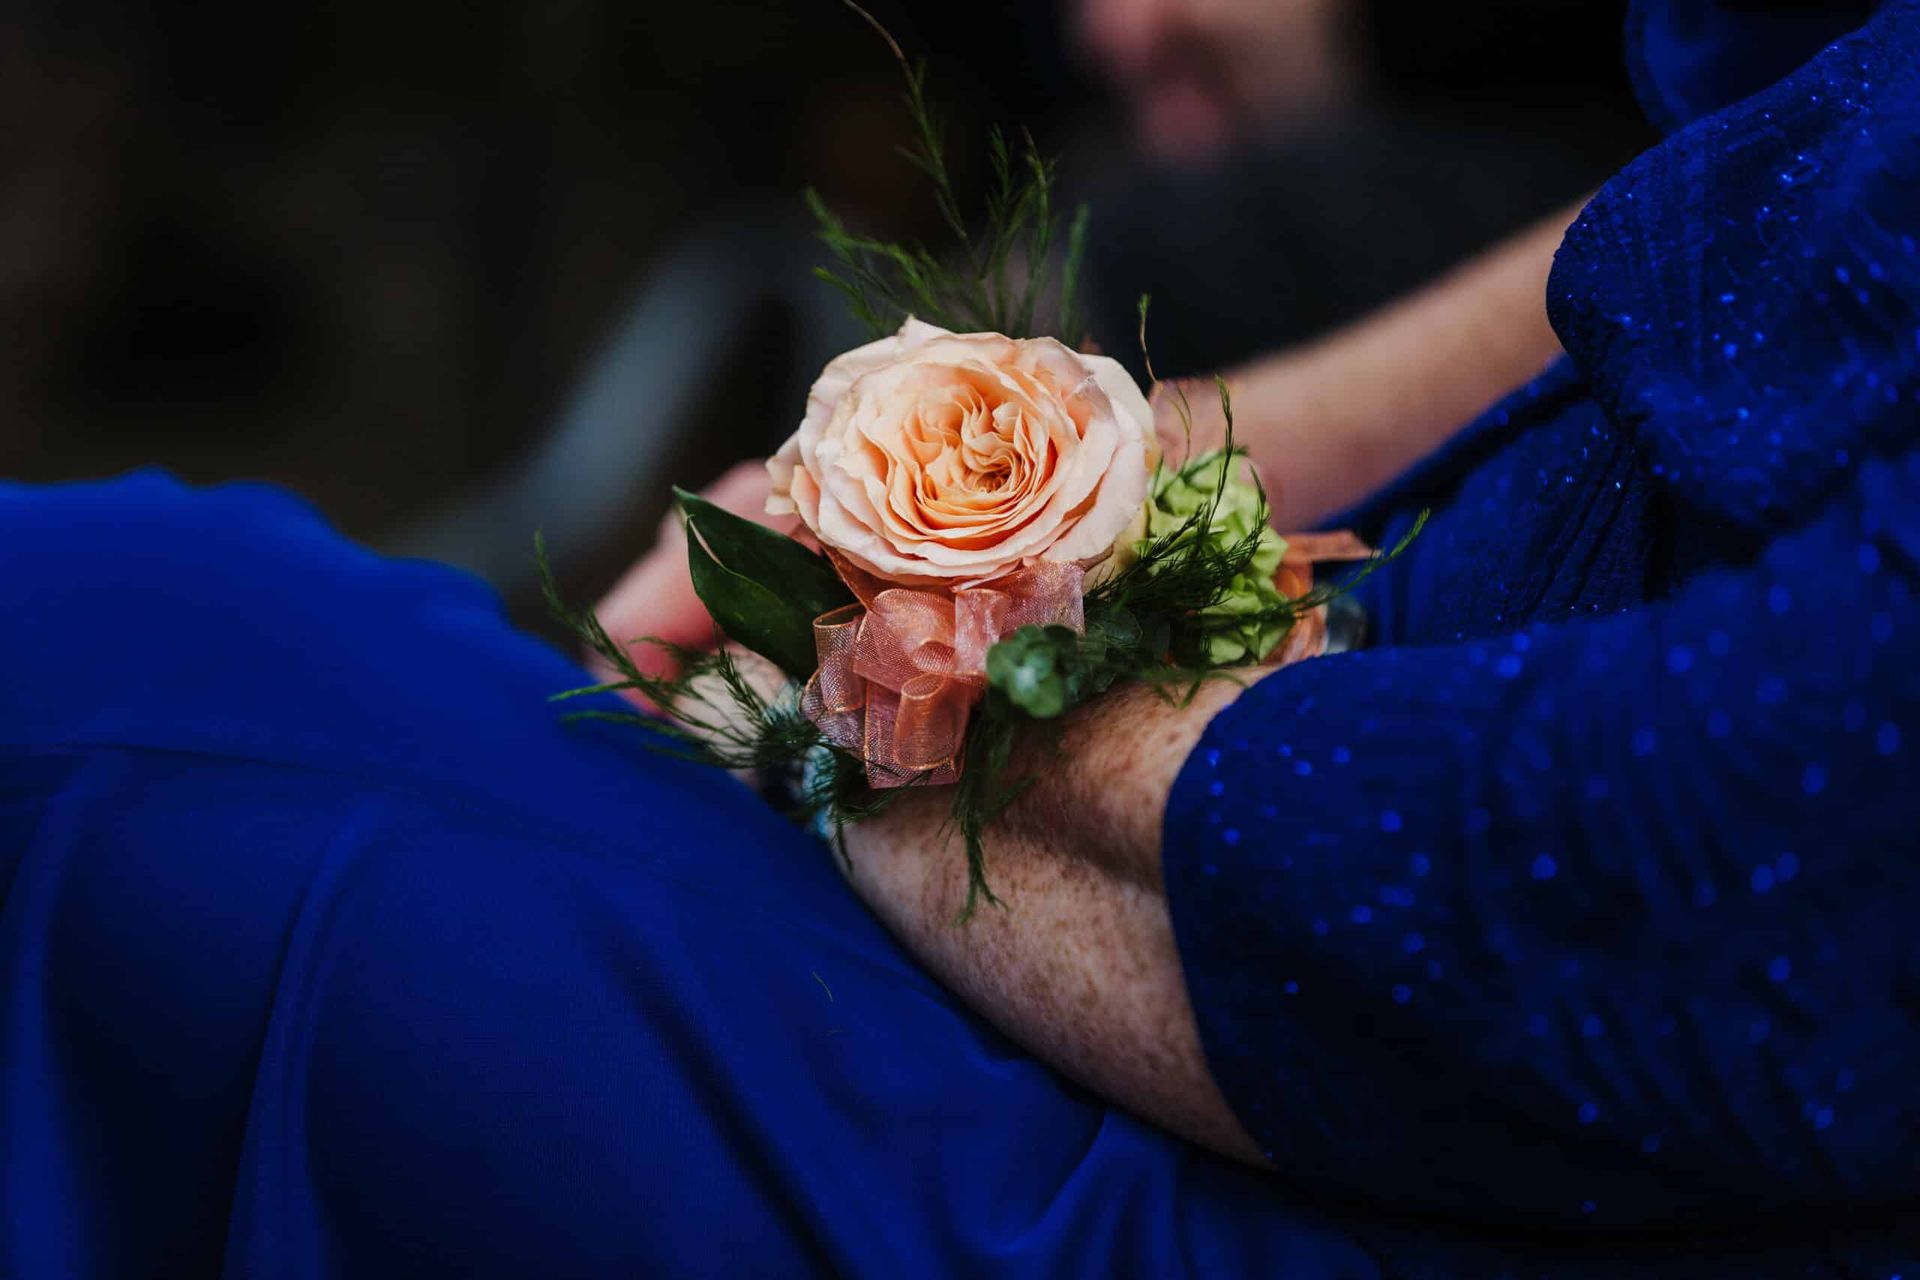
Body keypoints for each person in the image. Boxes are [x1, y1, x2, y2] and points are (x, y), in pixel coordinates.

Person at [5, 3, 1917, 1277]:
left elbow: (1640, 890)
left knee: (81, 727)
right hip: (1260, 796)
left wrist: (873, 689)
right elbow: (1773, 188)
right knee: (181, 605)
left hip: (1382, 1139)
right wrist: (1150, 446)